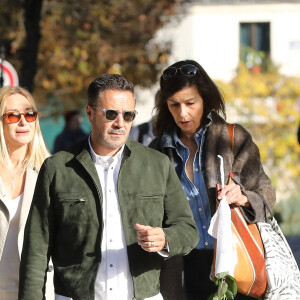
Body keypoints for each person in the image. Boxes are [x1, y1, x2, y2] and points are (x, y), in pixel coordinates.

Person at [19, 74, 199, 300]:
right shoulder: (57, 167)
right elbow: (36, 249)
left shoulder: (157, 164)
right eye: (111, 114)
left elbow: (188, 229)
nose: (120, 123)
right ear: (89, 113)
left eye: (128, 115)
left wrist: (165, 238)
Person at [149, 60, 276, 300]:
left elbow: (267, 193)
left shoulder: (232, 138)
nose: (183, 113)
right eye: (174, 105)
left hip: (235, 263)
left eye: (190, 103)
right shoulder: (158, 150)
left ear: (205, 99)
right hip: (184, 269)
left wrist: (244, 197)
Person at [0, 86, 53, 299]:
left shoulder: (49, 172)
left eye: (29, 114)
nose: (23, 121)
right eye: (13, 115)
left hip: (36, 291)